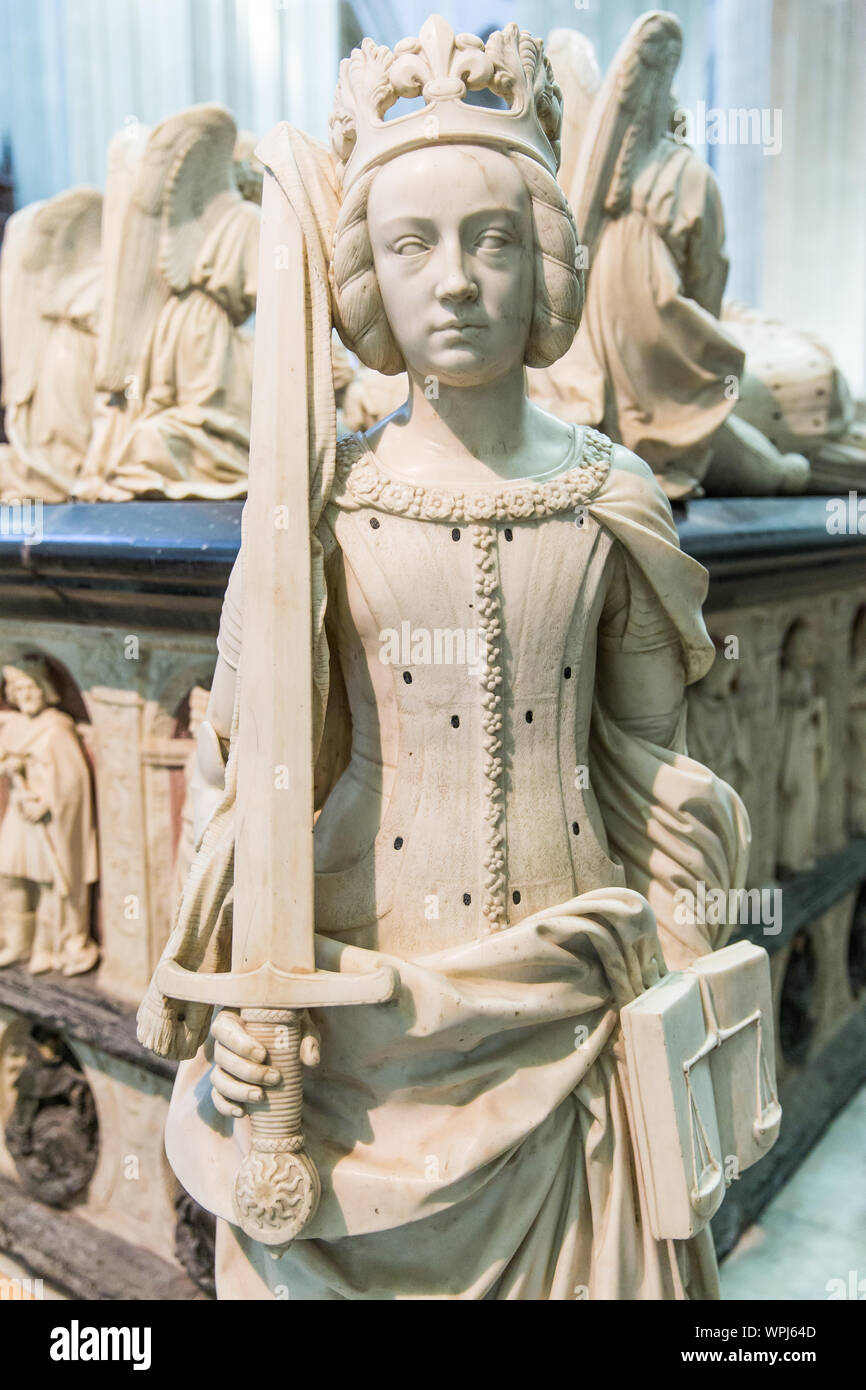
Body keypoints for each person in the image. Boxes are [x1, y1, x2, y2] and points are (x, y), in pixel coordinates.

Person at [139, 17, 748, 1300]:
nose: (455, 282)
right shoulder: (314, 508)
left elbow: (656, 776)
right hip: (355, 1038)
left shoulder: (610, 497)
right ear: (366, 269)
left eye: (491, 241)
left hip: (581, 1008)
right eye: (413, 245)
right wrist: (238, 1013)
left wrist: (693, 991)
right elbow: (244, 786)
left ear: (544, 266)